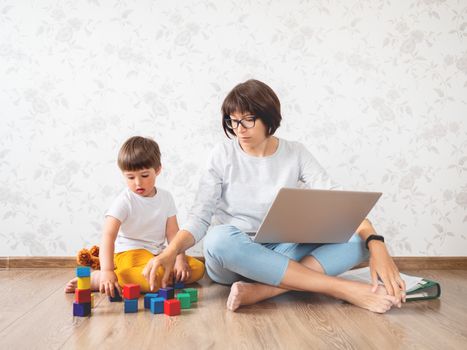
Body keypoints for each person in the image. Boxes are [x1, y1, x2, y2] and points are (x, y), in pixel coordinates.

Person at [142, 79, 406, 313]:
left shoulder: (296, 152)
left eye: (248, 119)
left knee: (356, 240)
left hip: (283, 250)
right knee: (218, 238)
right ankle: (339, 288)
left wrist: (376, 243)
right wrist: (171, 252)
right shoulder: (222, 154)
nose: (239, 129)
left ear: (269, 118)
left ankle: (262, 290)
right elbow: (200, 216)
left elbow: (338, 201)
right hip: (234, 258)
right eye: (233, 121)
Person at [65, 136, 205, 296]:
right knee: (156, 276)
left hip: (158, 253)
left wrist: (179, 260)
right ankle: (100, 279)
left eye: (144, 176)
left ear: (158, 169)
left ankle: (154, 276)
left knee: (197, 269)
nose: (138, 183)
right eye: (130, 177)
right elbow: (108, 237)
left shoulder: (166, 198)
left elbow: (173, 233)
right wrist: (107, 271)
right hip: (130, 253)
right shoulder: (124, 201)